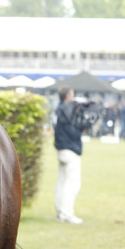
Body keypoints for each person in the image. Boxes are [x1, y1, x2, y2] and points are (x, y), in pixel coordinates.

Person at [54, 86, 86, 224]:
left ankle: (61, 212)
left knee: (62, 181)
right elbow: (72, 132)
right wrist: (82, 126)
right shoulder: (69, 111)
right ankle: (67, 213)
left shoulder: (59, 110)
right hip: (70, 149)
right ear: (68, 96)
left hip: (61, 149)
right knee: (72, 182)